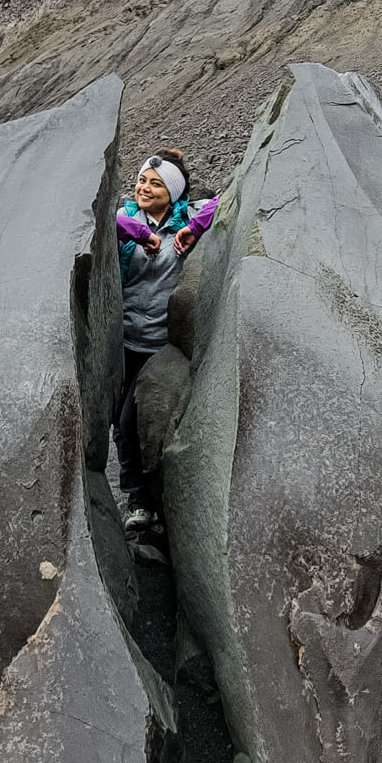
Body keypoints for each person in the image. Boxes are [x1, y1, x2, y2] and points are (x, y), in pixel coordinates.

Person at [113, 149, 217, 532]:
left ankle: (145, 501)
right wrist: (141, 233)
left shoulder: (186, 218)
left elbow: (224, 201)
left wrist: (193, 228)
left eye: (156, 184)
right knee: (121, 423)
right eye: (142, 180)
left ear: (173, 193)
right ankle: (141, 499)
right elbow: (105, 218)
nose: (145, 188)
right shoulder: (127, 217)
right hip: (123, 339)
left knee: (134, 420)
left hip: (161, 343)